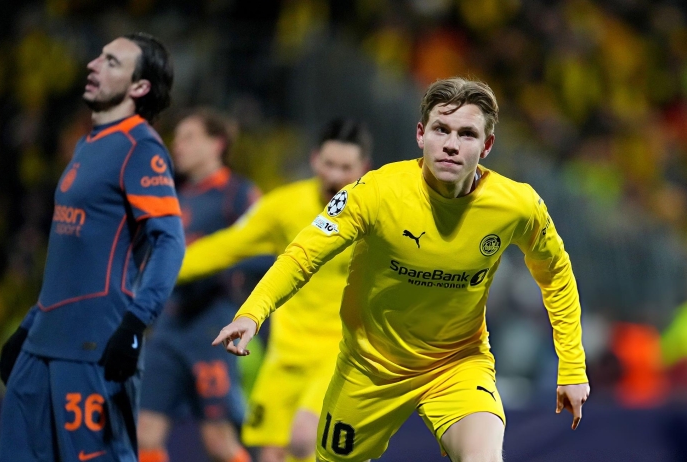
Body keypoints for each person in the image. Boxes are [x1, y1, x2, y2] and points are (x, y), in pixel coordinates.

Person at [215, 77, 591, 462]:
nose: (451, 144)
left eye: (466, 134)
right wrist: (252, 312)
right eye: (441, 129)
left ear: (487, 145)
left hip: (457, 364)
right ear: (420, 134)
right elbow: (302, 255)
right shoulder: (376, 192)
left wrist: (572, 366)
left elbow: (556, 274)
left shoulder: (518, 205)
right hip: (370, 367)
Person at [0, 33, 185, 462]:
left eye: (112, 62)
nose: (93, 65)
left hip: (95, 344)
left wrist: (135, 323)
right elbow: (74, 258)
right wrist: (29, 325)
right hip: (43, 341)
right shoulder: (90, 144)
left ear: (139, 87)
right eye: (99, 56)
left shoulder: (141, 148)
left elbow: (170, 241)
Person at [178, 118, 372, 462]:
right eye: (329, 164)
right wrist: (162, 271)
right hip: (285, 354)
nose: (335, 176)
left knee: (304, 437)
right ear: (314, 159)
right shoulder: (284, 206)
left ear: (364, 168)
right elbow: (229, 245)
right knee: (270, 454)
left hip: (340, 352)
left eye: (346, 168)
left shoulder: (374, 214)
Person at [137, 108, 262, 462]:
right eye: (177, 138)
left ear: (216, 143)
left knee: (218, 441)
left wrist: (213, 266)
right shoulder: (173, 196)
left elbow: (268, 250)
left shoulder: (239, 193)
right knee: (145, 432)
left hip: (211, 326)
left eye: (189, 137)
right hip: (168, 327)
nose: (178, 145)